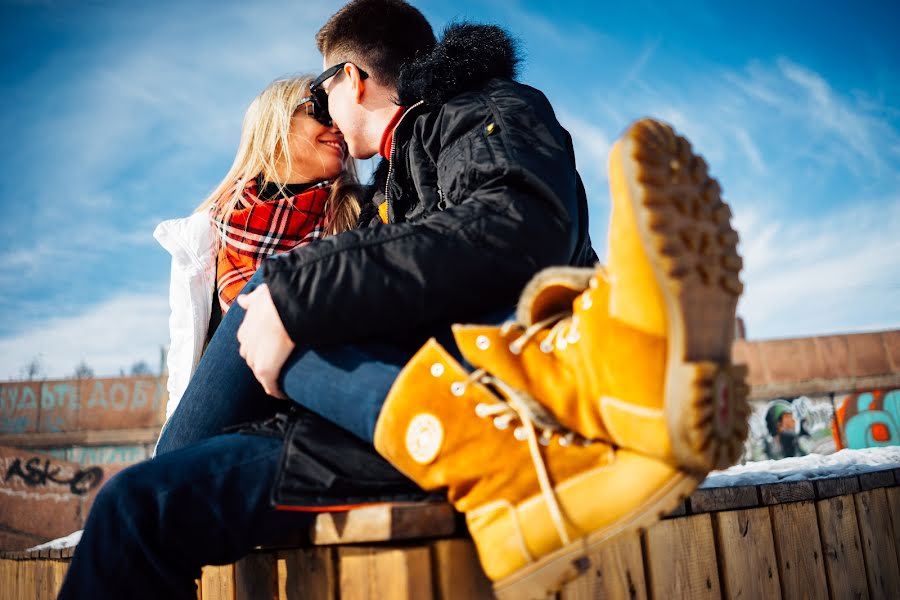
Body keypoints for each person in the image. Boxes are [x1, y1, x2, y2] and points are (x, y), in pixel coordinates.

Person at [59, 1, 748, 598]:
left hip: (476, 401)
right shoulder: (387, 187)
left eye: (322, 91)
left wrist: (294, 294)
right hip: (373, 416)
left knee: (278, 295)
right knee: (136, 504)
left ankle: (570, 401)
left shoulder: (484, 111)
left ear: (349, 80)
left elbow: (517, 228)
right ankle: (589, 392)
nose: (323, 109)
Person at [153, 75, 361, 442]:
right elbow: (186, 365)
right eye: (321, 111)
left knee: (272, 291)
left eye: (340, 115)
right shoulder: (203, 236)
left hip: (312, 426)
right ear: (275, 123)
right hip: (219, 431)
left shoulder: (362, 216)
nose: (338, 126)